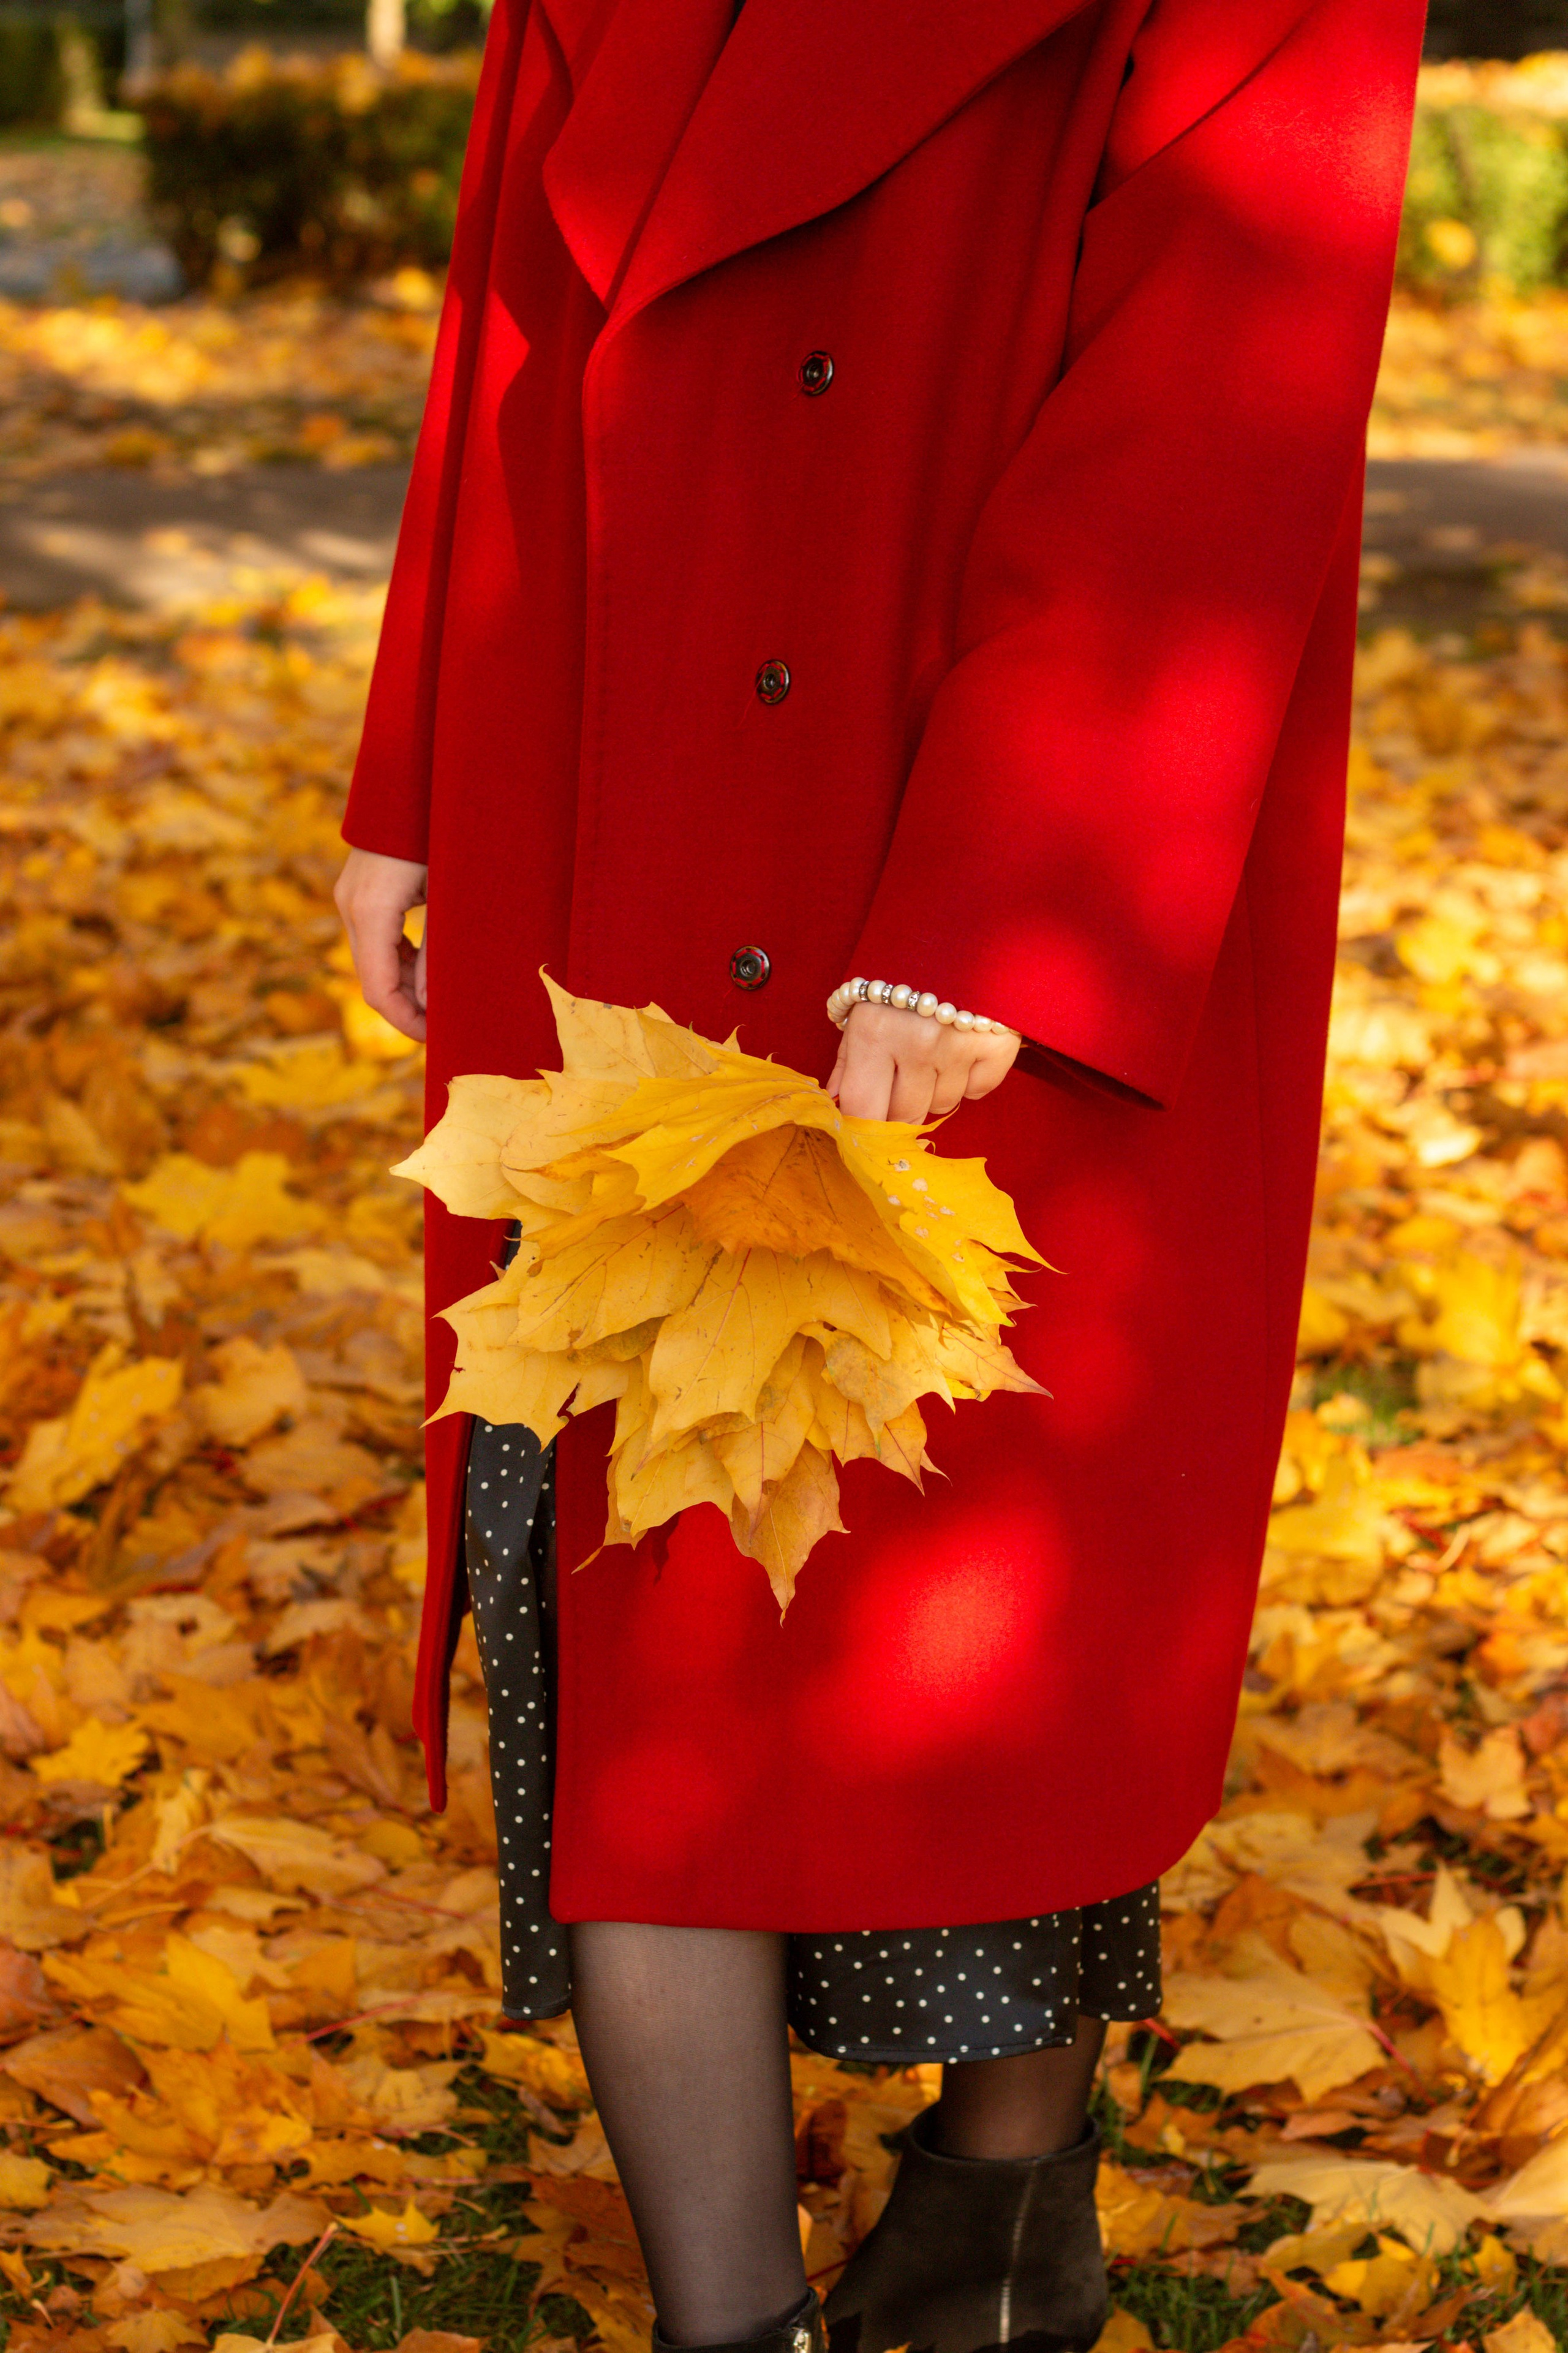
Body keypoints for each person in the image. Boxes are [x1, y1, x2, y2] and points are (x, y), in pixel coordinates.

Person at [335, 4, 1426, 2349]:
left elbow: (1220, 390)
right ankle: (741, 2325)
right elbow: (510, 300)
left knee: (991, 1597)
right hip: (617, 815)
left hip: (982, 841)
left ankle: (998, 2208)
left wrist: (1009, 897)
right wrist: (422, 752)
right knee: (642, 1588)